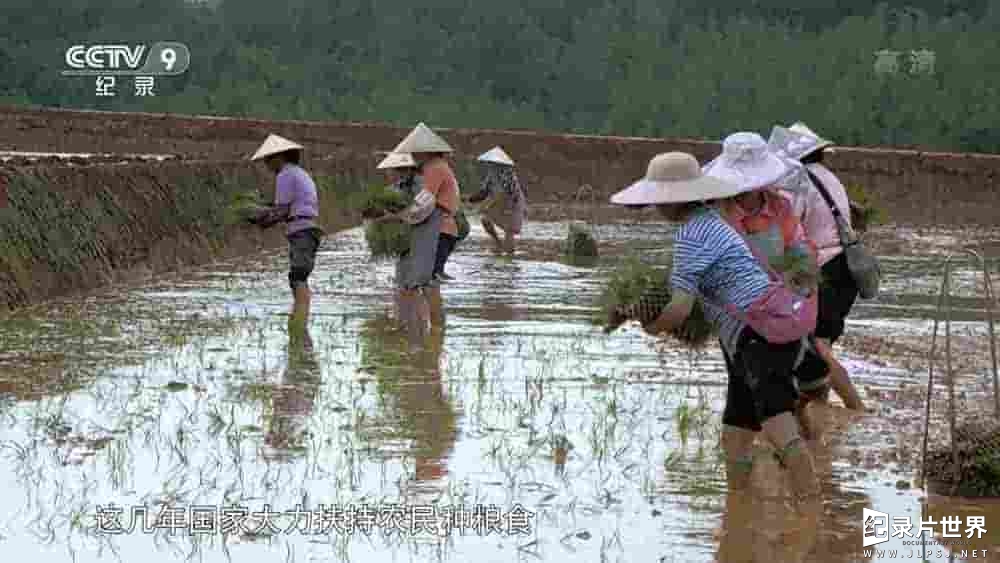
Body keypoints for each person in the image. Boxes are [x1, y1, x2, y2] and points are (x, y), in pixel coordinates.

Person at [608, 151, 821, 513]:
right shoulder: (711, 219)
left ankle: (811, 505)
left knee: (774, 418)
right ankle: (739, 509)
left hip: (759, 334)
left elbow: (679, 308)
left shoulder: (692, 234)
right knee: (736, 430)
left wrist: (651, 326)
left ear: (669, 200)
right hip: (751, 333)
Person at [704, 132, 831, 439]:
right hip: (736, 312)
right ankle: (766, 456)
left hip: (778, 303)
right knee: (745, 384)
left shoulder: (780, 208)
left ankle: (800, 433)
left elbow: (799, 248)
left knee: (809, 376)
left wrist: (799, 273)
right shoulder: (716, 213)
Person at [769, 122, 866, 411]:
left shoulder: (799, 180)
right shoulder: (828, 176)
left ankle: (856, 408)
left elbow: (789, 229)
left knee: (817, 348)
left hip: (825, 269)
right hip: (845, 267)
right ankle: (818, 410)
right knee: (819, 348)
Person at [249, 134, 323, 331]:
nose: (266, 164)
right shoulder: (297, 173)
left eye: (268, 159)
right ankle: (299, 316)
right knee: (298, 277)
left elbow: (281, 210)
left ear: (279, 157)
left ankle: (300, 319)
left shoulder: (285, 175)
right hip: (305, 229)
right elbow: (282, 207)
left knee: (298, 276)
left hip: (302, 230)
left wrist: (260, 221)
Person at [389, 123, 460, 323]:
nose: (413, 155)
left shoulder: (434, 167)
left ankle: (436, 329)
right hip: (439, 228)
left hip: (439, 229)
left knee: (428, 283)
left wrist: (401, 216)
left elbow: (425, 201)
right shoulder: (439, 166)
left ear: (425, 150)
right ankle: (427, 328)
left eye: (415, 151)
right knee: (425, 282)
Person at [372, 151, 442, 337]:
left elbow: (418, 211)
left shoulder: (421, 185)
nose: (387, 174)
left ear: (401, 169)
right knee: (403, 284)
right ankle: (406, 325)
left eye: (390, 170)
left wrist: (392, 217)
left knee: (417, 286)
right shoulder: (399, 186)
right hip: (407, 242)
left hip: (423, 240)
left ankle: (427, 329)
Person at [467, 146, 527, 254]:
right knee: (485, 219)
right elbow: (484, 192)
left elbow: (503, 194)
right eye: (489, 162)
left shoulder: (508, 174)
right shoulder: (491, 175)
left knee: (510, 231)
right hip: (500, 202)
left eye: (491, 162)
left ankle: (509, 255)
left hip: (513, 204)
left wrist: (487, 205)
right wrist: (470, 200)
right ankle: (498, 243)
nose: (489, 165)